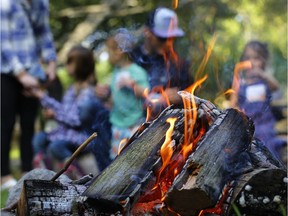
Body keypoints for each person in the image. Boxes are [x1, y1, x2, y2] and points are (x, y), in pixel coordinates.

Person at [1, 0, 57, 189]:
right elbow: (3, 41)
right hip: (6, 72)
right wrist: (20, 74)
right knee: (5, 124)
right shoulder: (6, 3)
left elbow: (44, 32)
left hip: (33, 71)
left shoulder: (41, 3)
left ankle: (27, 173)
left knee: (28, 125)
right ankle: (4, 176)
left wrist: (51, 64)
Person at [31, 46, 111, 177]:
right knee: (38, 138)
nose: (66, 65)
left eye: (69, 62)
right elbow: (62, 109)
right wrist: (41, 96)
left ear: (80, 65)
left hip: (79, 137)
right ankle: (43, 173)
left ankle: (76, 172)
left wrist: (55, 115)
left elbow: (76, 120)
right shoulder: (71, 90)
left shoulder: (90, 92)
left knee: (55, 147)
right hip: (64, 133)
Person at [131, 7, 193, 120]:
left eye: (172, 38)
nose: (169, 43)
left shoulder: (180, 65)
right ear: (147, 32)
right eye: (162, 38)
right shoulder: (131, 58)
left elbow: (191, 98)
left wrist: (180, 97)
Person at [96, 28, 149, 159]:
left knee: (135, 158)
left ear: (120, 51)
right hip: (118, 124)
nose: (107, 55)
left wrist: (131, 84)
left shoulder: (136, 71)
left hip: (134, 124)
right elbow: (115, 99)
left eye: (109, 51)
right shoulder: (116, 72)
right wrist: (104, 96)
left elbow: (147, 93)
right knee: (117, 158)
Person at [230, 40, 286, 160]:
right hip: (247, 123)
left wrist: (262, 74)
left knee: (266, 143)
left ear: (263, 61)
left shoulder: (264, 81)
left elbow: (276, 86)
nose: (251, 62)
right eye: (248, 58)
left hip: (264, 124)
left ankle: (270, 169)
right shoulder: (241, 83)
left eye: (256, 58)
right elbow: (233, 104)